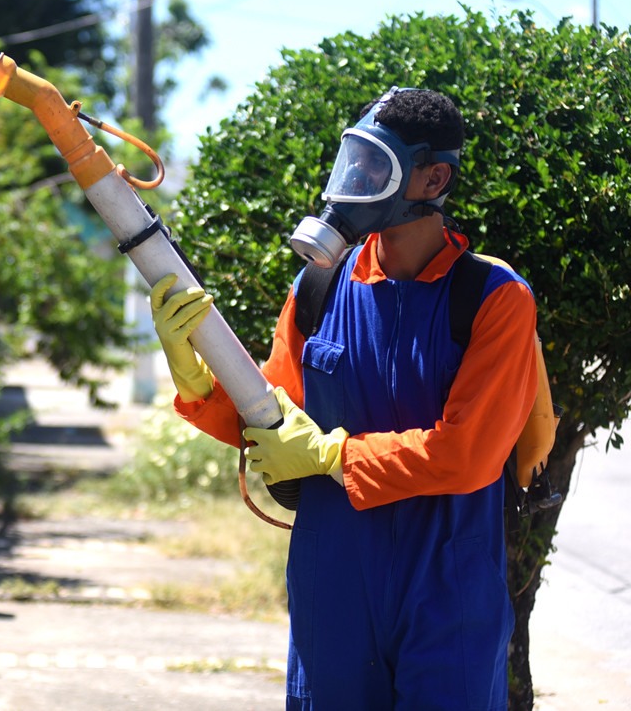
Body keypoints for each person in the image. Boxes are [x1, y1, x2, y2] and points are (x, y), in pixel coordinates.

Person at [150, 87, 538, 711]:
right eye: (352, 163)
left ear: (434, 176)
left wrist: (334, 457)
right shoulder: (320, 287)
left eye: (376, 167)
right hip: (333, 577)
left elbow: (469, 453)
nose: (354, 182)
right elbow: (272, 421)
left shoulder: (494, 298)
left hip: (448, 585)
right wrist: (198, 381)